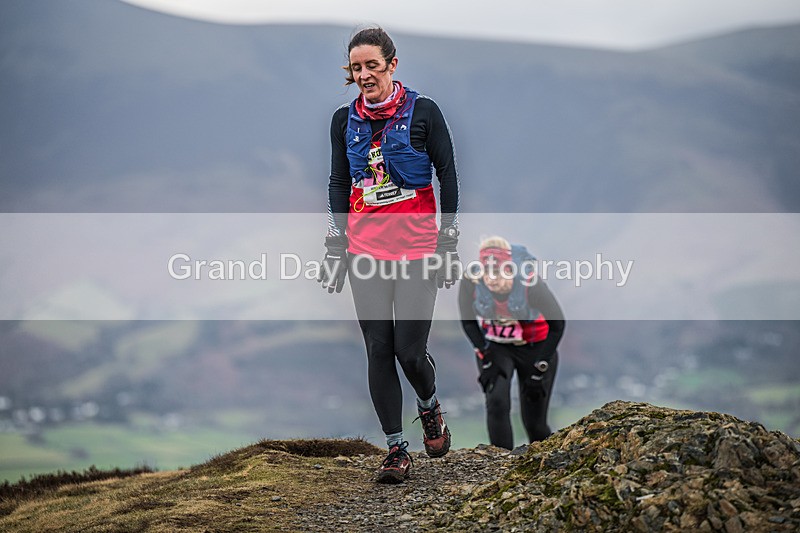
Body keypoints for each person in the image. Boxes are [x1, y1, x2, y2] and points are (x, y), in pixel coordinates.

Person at [318, 26, 461, 484]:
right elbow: (340, 182)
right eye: (356, 67)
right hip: (365, 252)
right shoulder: (343, 120)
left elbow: (448, 174)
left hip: (418, 249)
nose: (364, 75)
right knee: (378, 348)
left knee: (409, 353)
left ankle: (429, 406)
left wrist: (448, 237)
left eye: (372, 66)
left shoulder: (425, 112)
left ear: (391, 64)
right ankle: (397, 449)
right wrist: (337, 242)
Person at [458, 236, 565, 450]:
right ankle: (500, 465)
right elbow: (468, 321)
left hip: (537, 348)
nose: (491, 279)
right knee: (497, 403)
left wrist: (541, 366)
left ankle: (546, 465)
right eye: (486, 273)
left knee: (534, 422)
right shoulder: (472, 281)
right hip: (496, 347)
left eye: (497, 273)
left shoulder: (531, 286)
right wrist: (484, 353)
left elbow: (558, 325)